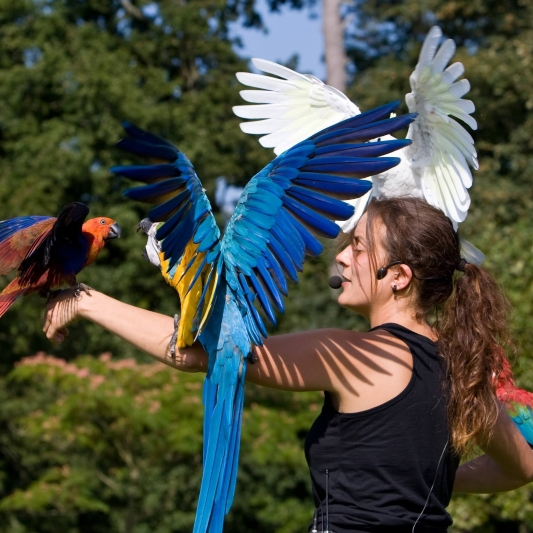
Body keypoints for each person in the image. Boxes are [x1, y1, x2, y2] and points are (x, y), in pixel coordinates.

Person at [43, 196, 533, 532]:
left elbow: (203, 355)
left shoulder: (355, 355)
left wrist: (86, 301)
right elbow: (523, 466)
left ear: (398, 277)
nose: (341, 259)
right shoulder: (462, 371)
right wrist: (438, 480)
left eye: (358, 247)